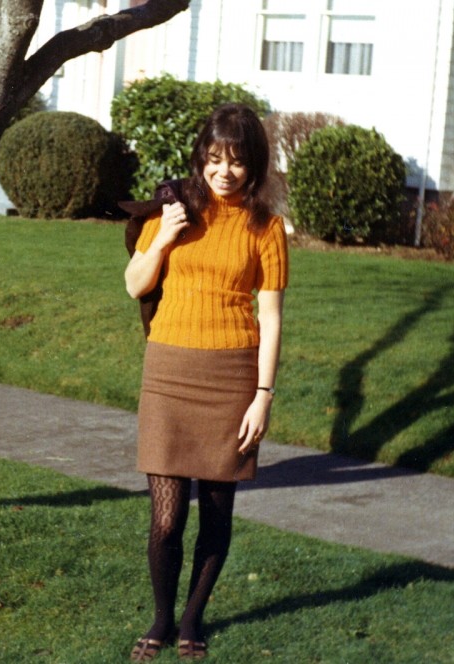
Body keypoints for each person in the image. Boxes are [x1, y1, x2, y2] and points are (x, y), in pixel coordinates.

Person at [123, 104, 288, 661]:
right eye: (215, 159)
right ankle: (162, 616)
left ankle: (193, 620)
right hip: (169, 371)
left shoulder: (265, 227)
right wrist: (165, 237)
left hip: (232, 376)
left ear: (254, 166)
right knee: (167, 519)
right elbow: (134, 284)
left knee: (217, 513)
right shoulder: (173, 211)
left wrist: (263, 396)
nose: (225, 171)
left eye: (237, 161)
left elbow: (270, 316)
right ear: (200, 158)